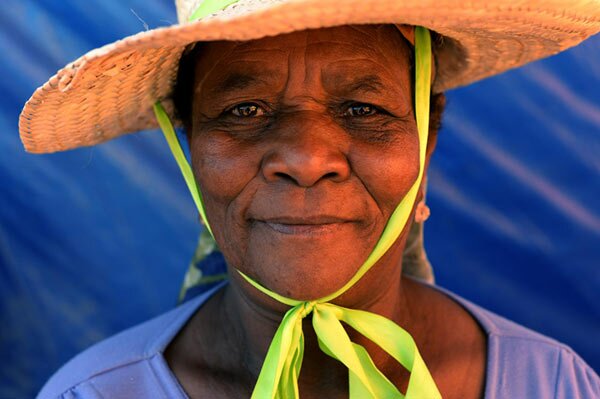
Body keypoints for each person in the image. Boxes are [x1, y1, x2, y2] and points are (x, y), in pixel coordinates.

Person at [19, 0, 599, 398]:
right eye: (244, 111)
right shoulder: (95, 392)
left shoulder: (551, 383)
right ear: (190, 151)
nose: (304, 159)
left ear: (426, 148)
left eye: (363, 110)